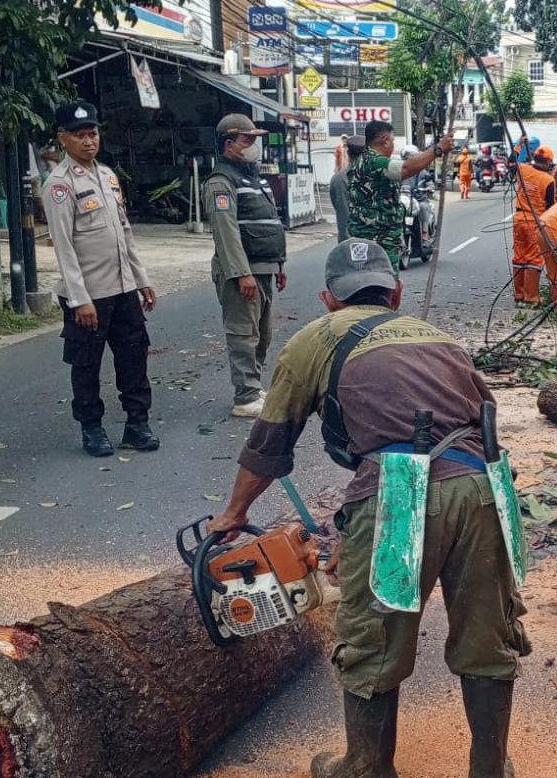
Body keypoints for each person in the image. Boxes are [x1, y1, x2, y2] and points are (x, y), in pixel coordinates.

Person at [208, 239, 531, 778]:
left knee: (372, 638)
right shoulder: (437, 337)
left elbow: (269, 443)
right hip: (482, 488)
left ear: (329, 299)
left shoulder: (315, 339)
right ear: (395, 293)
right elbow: (485, 417)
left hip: (400, 494)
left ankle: (365, 766)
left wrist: (235, 512)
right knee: (488, 636)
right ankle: (490, 768)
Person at [42, 101, 158, 457]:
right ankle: (91, 428)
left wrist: (141, 279)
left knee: (134, 358)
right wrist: (80, 299)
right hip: (89, 295)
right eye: (79, 135)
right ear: (63, 139)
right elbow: (63, 247)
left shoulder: (107, 176)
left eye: (92, 133)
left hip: (123, 289)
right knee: (86, 365)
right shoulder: (59, 185)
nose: (88, 141)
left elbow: (125, 233)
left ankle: (136, 425)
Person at [204, 113, 288, 418]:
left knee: (262, 334)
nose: (254, 145)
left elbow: (270, 222)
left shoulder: (254, 177)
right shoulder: (220, 182)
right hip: (243, 272)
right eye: (247, 139)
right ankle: (245, 395)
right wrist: (242, 273)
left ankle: (253, 385)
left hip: (264, 269)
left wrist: (279, 264)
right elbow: (226, 232)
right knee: (243, 334)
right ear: (229, 144)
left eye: (255, 139)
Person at [348, 121, 453, 272]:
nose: (393, 144)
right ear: (385, 141)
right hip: (378, 239)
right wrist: (438, 149)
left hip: (366, 238)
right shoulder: (374, 161)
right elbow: (406, 168)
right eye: (392, 140)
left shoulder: (362, 160)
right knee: (383, 280)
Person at [511, 144, 556, 304]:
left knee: (519, 256)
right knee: (534, 259)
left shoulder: (523, 169)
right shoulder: (549, 180)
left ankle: (519, 294)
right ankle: (531, 296)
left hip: (518, 219)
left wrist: (518, 145)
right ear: (548, 162)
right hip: (534, 221)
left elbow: (511, 162)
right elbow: (550, 207)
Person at [330, 135, 366, 243]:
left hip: (348, 242)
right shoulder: (380, 176)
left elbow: (340, 208)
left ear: (348, 154)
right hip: (376, 242)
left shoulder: (339, 179)